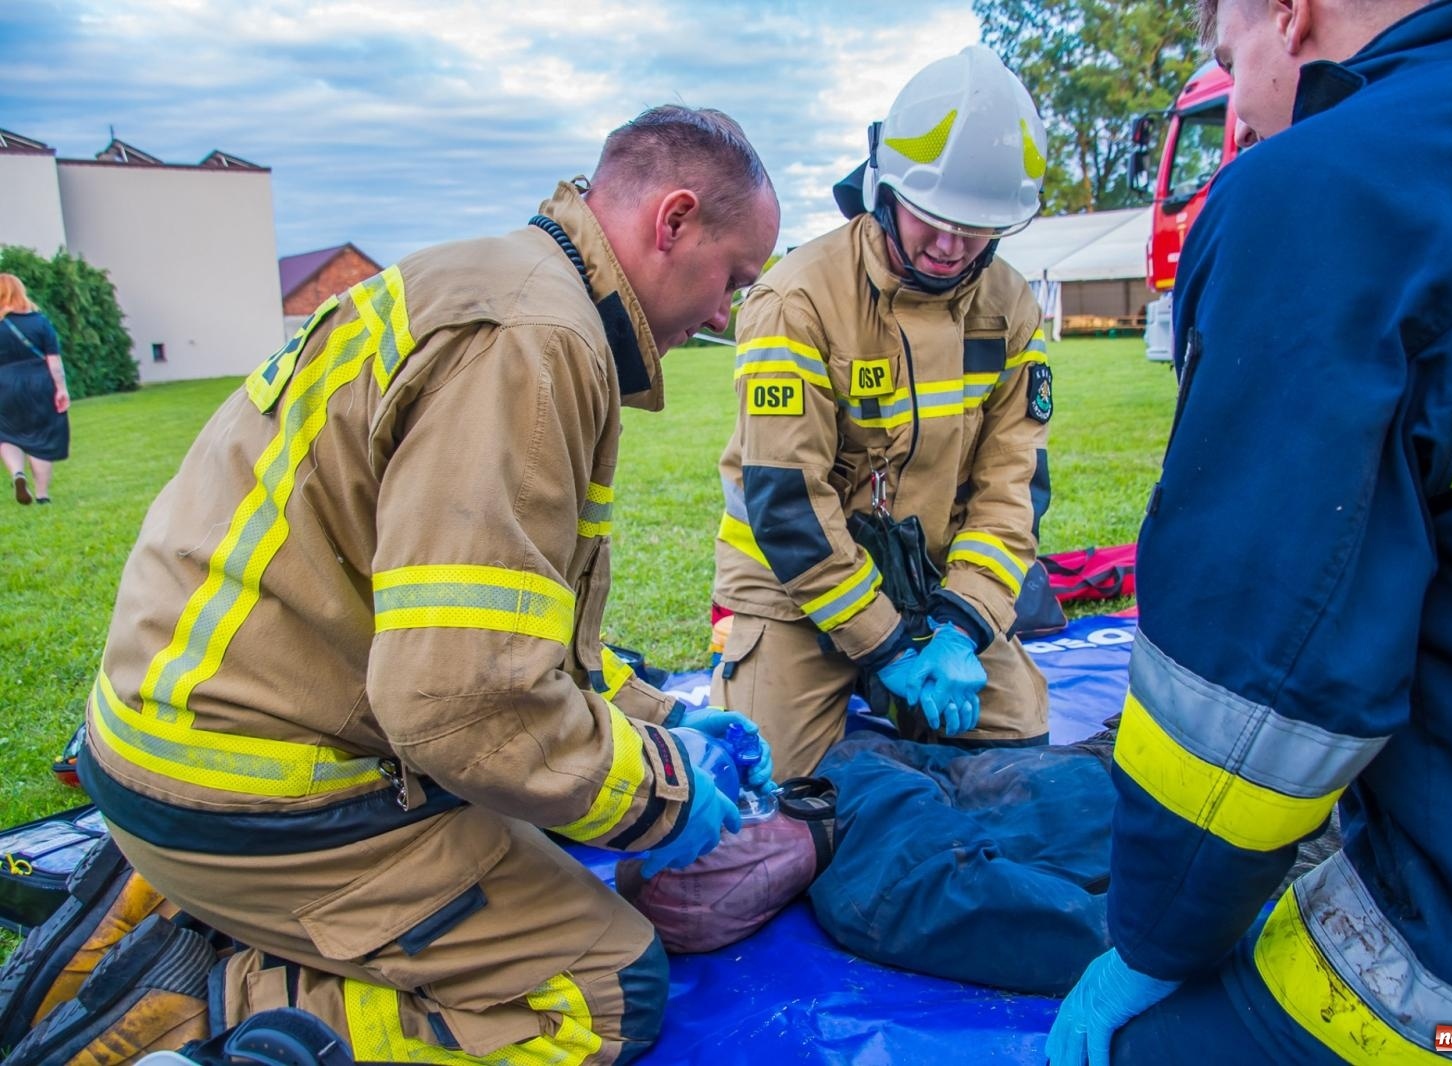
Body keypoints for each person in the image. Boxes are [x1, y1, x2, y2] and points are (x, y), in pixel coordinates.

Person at [60, 105, 781, 1065]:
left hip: (179, 742)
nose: (728, 312)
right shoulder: (534, 340)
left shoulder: (498, 283)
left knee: (545, 833)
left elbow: (492, 618)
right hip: (257, 792)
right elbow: (467, 708)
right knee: (598, 990)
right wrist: (664, 792)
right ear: (673, 220)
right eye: (734, 276)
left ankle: (192, 909)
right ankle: (210, 1013)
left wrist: (657, 717)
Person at [1047, 1, 1452, 1063]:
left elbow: (1249, 692)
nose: (1239, 123)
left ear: (1288, 15)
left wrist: (1155, 940)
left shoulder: (1327, 195)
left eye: (1225, 64)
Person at [711, 44, 1055, 780]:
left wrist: (963, 628)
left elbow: (1013, 488)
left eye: (978, 228)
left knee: (1016, 750)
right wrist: (887, 648)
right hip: (796, 589)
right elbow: (787, 506)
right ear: (880, 186)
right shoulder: (795, 300)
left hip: (935, 588)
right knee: (772, 782)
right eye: (932, 216)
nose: (950, 245)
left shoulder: (1012, 307)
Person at [0, 273, 70, 505]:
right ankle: (42, 495)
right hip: (39, 381)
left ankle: (17, 474)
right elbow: (54, 361)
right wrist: (60, 388)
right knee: (42, 435)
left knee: (5, 433)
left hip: (4, 384)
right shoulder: (39, 322)